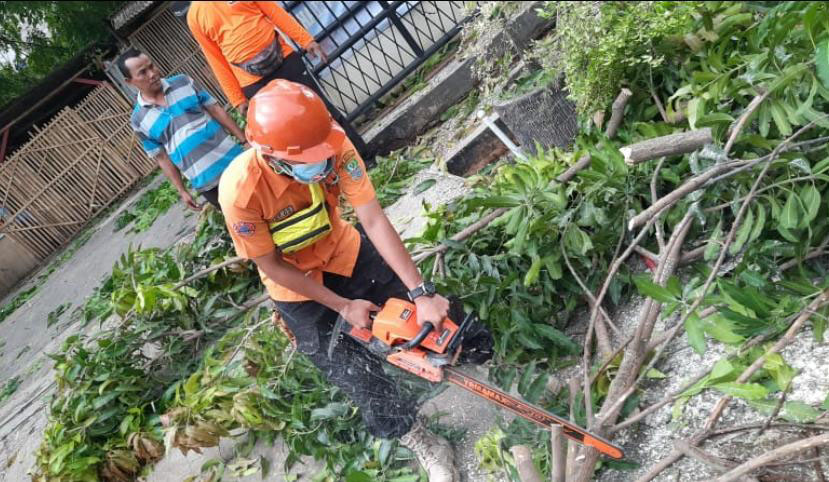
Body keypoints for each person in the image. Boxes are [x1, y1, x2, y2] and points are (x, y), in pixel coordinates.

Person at [218, 80, 492, 482]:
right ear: (271, 156)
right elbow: (271, 265)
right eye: (310, 159)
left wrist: (421, 293)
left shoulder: (334, 145)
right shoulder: (241, 192)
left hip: (344, 251)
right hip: (297, 287)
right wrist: (342, 307)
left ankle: (499, 371)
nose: (322, 162)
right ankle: (422, 441)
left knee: (437, 321)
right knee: (353, 374)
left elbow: (374, 219)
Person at [185, 1, 371, 162]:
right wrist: (237, 99)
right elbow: (215, 59)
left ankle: (364, 157)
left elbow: (274, 12)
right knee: (290, 138)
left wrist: (306, 40)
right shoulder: (194, 16)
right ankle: (330, 179)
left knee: (325, 112)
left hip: (285, 59)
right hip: (252, 82)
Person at [120, 48, 246, 210]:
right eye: (142, 72)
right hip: (206, 182)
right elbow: (162, 157)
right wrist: (182, 190)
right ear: (129, 81)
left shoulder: (183, 82)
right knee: (244, 225)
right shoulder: (138, 120)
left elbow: (215, 109)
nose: (152, 74)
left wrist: (244, 140)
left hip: (235, 160)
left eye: (151, 66)